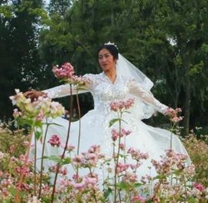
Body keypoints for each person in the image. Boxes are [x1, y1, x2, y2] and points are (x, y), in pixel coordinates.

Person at [23, 43, 189, 192]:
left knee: (134, 160)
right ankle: (93, 192)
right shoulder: (94, 80)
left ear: (115, 58)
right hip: (98, 124)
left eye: (106, 56)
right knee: (96, 161)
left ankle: (136, 190)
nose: (103, 60)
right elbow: (67, 88)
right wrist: (43, 94)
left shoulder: (127, 81)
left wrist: (166, 110)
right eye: (100, 57)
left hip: (126, 126)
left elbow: (148, 98)